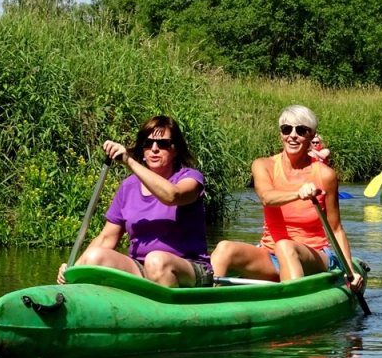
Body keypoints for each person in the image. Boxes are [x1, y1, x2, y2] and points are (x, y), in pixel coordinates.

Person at [211, 105, 363, 290]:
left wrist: (350, 271)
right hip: (269, 253)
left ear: (311, 135)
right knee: (224, 248)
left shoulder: (325, 175)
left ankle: (292, 303)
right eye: (286, 129)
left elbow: (336, 229)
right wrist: (297, 193)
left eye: (300, 130)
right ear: (281, 133)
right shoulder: (263, 165)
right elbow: (267, 197)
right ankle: (207, 303)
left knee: (285, 246)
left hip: (313, 255)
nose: (292, 135)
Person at [57, 115, 213, 287]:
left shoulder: (190, 178)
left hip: (188, 269)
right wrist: (74, 269)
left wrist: (129, 162)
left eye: (162, 144)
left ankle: (167, 310)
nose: (154, 149)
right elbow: (107, 238)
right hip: (141, 268)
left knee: (156, 261)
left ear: (175, 149)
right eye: (148, 143)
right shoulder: (128, 187)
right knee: (95, 255)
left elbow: (172, 196)